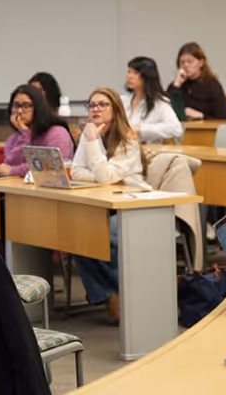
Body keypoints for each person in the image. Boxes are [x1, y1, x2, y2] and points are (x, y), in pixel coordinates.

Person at [70, 88, 150, 325]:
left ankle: (127, 295)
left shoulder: (128, 138)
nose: (95, 109)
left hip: (134, 207)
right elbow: (76, 171)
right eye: (92, 105)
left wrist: (93, 144)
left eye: (102, 104)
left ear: (115, 110)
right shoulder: (89, 133)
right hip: (104, 203)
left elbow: (103, 177)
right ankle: (109, 294)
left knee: (107, 235)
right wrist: (100, 172)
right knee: (75, 236)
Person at [0, 84, 74, 177]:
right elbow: (9, 166)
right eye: (16, 105)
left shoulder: (57, 133)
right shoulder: (14, 138)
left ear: (38, 107)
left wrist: (14, 171)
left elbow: (50, 166)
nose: (19, 111)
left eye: (26, 106)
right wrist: (24, 135)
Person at [122, 56, 183, 143]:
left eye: (135, 73)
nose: (129, 76)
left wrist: (141, 129)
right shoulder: (123, 100)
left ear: (147, 76)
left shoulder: (159, 103)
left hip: (147, 151)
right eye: (129, 72)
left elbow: (176, 129)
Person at [168, 42, 226, 120]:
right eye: (182, 62)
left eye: (190, 61)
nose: (186, 65)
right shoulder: (175, 86)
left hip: (205, 130)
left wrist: (201, 115)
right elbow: (167, 114)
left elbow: (222, 119)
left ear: (201, 63)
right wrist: (176, 85)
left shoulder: (212, 85)